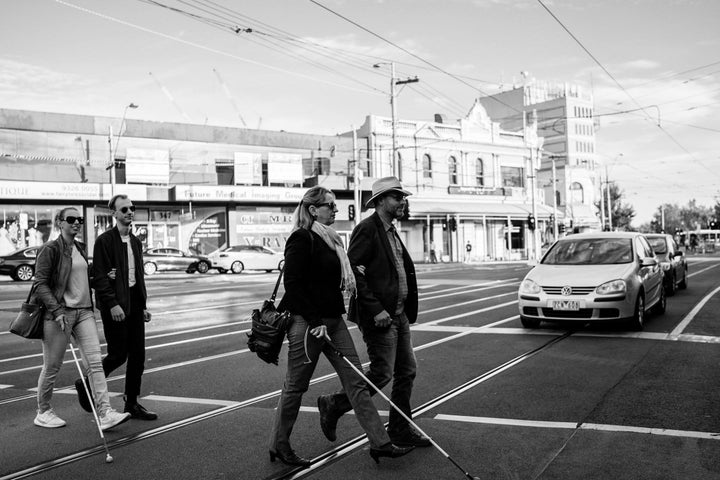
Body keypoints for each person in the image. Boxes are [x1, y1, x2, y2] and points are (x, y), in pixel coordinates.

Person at [268, 186, 413, 467]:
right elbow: (294, 285)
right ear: (313, 210)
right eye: (330, 206)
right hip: (307, 323)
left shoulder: (333, 240)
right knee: (295, 387)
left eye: (335, 206)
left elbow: (338, 276)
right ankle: (279, 445)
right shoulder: (301, 238)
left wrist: (356, 271)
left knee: (358, 381)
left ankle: (380, 443)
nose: (336, 210)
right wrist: (314, 321)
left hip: (333, 320)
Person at [317, 176, 431, 448]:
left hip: (398, 314)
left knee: (407, 371)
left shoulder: (391, 230)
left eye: (403, 197)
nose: (403, 202)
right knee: (382, 373)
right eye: (397, 197)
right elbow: (354, 271)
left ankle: (400, 429)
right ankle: (334, 403)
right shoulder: (367, 229)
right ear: (381, 201)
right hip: (380, 316)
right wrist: (377, 309)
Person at [33, 207, 130, 430]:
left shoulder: (79, 247)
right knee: (52, 366)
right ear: (60, 223)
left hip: (85, 311)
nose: (76, 223)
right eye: (71, 219)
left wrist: (101, 276)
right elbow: (40, 284)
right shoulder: (50, 249)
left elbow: (81, 279)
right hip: (60, 313)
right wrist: (56, 311)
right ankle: (43, 411)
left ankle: (105, 413)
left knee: (95, 363)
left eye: (80, 219)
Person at [91, 195, 157, 421]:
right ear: (114, 214)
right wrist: (112, 305)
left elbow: (137, 276)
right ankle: (87, 383)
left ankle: (132, 403)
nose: (130, 212)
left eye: (132, 208)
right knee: (118, 354)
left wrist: (143, 305)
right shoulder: (104, 241)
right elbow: (99, 278)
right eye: (125, 209)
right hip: (115, 305)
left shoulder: (136, 242)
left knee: (138, 355)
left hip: (135, 303)